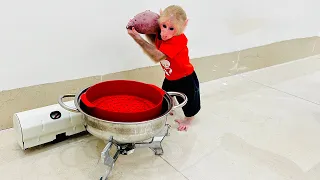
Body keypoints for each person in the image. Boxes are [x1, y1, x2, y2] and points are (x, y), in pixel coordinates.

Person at [127, 5, 201, 131]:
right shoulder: (163, 35)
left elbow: (157, 56)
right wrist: (141, 28)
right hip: (170, 76)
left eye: (171, 28)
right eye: (163, 26)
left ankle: (189, 119)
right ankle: (171, 106)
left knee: (190, 102)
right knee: (165, 95)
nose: (165, 33)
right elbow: (155, 42)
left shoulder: (179, 40)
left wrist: (137, 38)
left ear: (184, 26)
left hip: (185, 77)